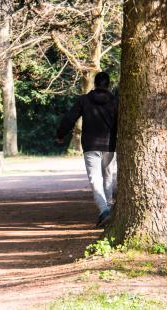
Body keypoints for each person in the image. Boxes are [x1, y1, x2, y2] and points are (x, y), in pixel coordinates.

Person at [56, 72, 118, 227]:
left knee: (95, 179)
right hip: (110, 145)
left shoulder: (84, 100)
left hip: (90, 145)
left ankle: (104, 211)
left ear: (95, 83)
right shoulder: (116, 102)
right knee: (109, 177)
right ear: (108, 84)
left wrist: (60, 134)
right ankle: (108, 209)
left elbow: (70, 117)